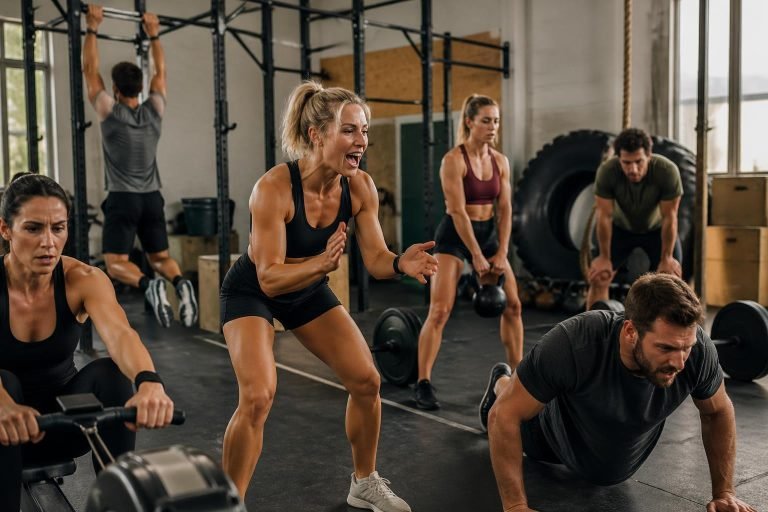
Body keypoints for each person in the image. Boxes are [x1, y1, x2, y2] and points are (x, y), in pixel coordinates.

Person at [219, 81, 436, 512]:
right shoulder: (274, 189)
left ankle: (364, 481)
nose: (362, 143)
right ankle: (229, 502)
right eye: (351, 131)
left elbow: (375, 257)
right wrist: (320, 264)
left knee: (367, 380)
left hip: (307, 288)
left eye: (365, 132)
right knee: (259, 395)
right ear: (318, 135)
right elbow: (269, 279)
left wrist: (399, 264)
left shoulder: (359, 188)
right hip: (255, 291)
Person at [479, 272, 756, 512]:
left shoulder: (697, 352)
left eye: (686, 347)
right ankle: (502, 382)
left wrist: (724, 493)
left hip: (607, 458)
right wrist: (515, 506)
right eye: (665, 348)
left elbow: (718, 410)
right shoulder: (574, 344)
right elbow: (503, 417)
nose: (680, 362)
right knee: (510, 405)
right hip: (547, 435)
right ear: (629, 332)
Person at [0, 173, 176, 512]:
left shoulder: (83, 280)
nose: (48, 242)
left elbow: (121, 335)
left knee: (112, 375)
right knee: (4, 382)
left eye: (58, 228)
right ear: (6, 230)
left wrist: (149, 382)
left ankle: (119, 505)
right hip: (3, 427)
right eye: (33, 228)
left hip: (60, 428)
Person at [83, 5, 197, 328]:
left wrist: (92, 27)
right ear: (140, 89)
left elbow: (89, 70)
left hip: (122, 198)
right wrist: (154, 34)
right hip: (152, 198)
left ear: (116, 90)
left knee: (115, 262)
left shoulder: (110, 111)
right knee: (160, 258)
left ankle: (150, 285)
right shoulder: (155, 109)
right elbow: (161, 73)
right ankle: (178, 282)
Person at [414, 94, 523, 410]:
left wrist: (501, 251)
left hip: (489, 233)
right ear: (470, 121)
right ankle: (422, 382)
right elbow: (458, 212)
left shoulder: (500, 161)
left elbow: (505, 209)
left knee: (513, 305)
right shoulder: (453, 160)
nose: (493, 127)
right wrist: (475, 256)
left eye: (496, 120)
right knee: (440, 309)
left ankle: (519, 376)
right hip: (455, 236)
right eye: (486, 120)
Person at [587, 127, 683, 309]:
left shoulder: (667, 171)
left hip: (656, 230)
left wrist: (667, 257)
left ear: (649, 156)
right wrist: (604, 257)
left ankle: (666, 335)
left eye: (639, 162)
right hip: (619, 229)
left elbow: (670, 217)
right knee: (600, 276)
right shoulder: (607, 171)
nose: (633, 169)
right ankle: (593, 333)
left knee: (671, 281)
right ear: (618, 159)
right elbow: (604, 216)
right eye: (626, 163)